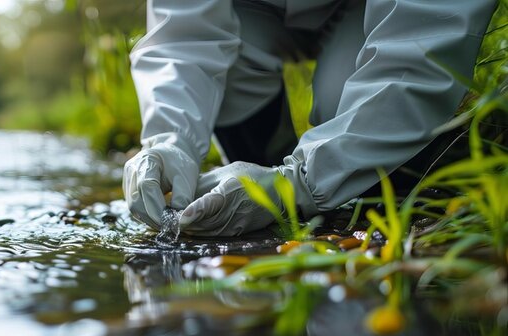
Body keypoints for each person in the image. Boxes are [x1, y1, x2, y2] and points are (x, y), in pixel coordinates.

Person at [123, 0, 497, 236]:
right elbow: (183, 36)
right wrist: (170, 137)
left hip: (372, 11)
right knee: (226, 75)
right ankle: (265, 183)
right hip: (253, 11)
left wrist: (300, 182)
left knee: (343, 106)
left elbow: (422, 43)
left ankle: (307, 193)